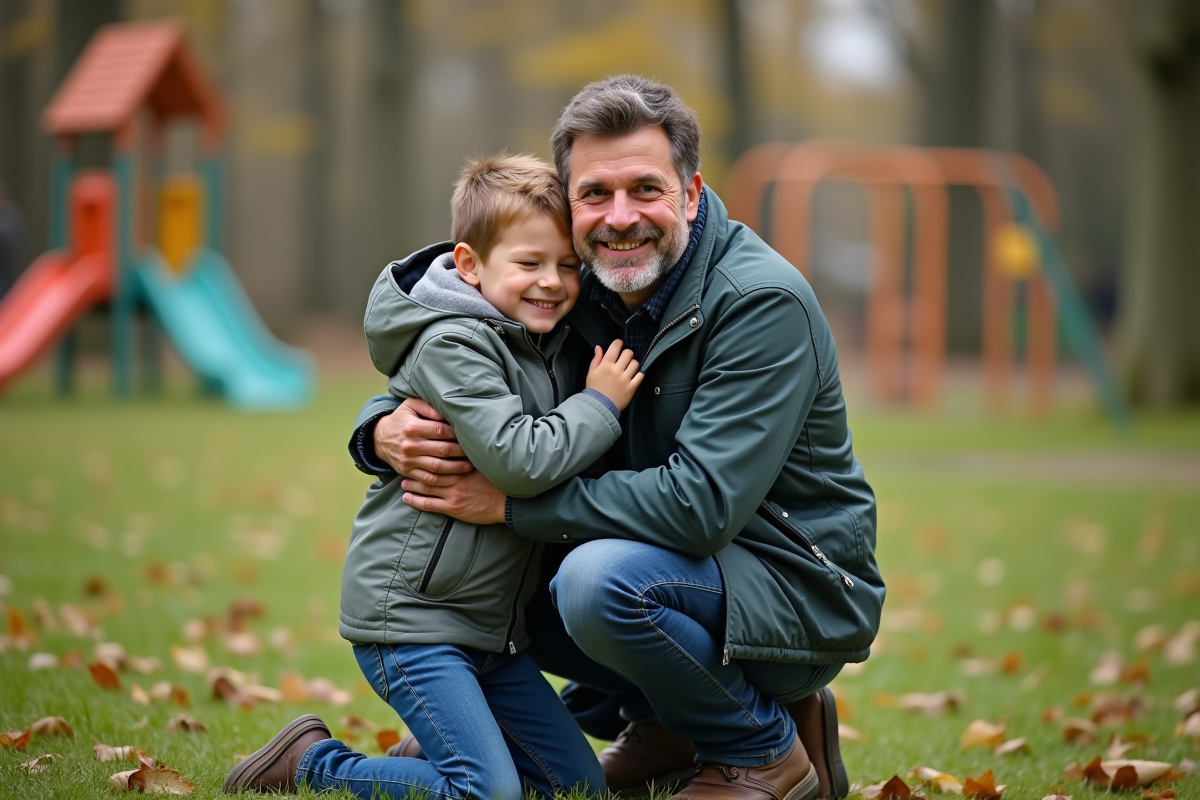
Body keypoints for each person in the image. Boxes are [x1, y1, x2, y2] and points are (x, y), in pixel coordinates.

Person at [354, 76, 885, 800]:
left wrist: (508, 508)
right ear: (567, 204)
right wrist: (380, 429)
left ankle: (760, 749)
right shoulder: (579, 283)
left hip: (792, 585)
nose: (620, 217)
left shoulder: (762, 303)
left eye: (645, 189)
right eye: (595, 194)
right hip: (681, 576)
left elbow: (700, 508)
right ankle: (669, 722)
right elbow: (469, 357)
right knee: (514, 573)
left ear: (691, 194)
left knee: (593, 579)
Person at [224, 154, 644, 798]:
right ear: (471, 264)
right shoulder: (456, 343)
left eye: (567, 265)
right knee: (484, 793)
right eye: (529, 264)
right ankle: (309, 764)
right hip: (414, 622)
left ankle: (439, 747)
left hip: (492, 633)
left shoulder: (549, 341)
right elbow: (518, 460)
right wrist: (598, 404)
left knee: (576, 789)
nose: (553, 283)